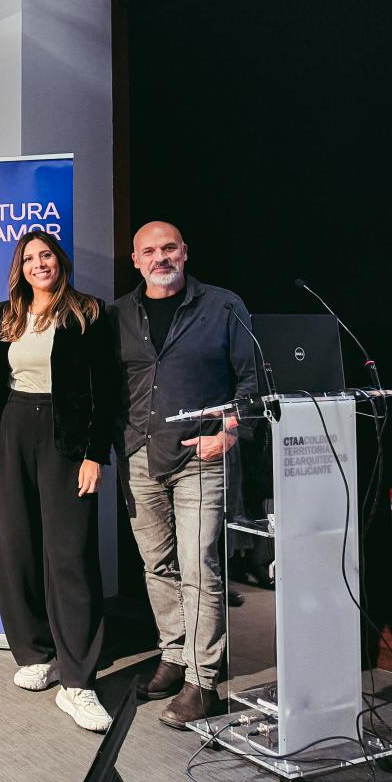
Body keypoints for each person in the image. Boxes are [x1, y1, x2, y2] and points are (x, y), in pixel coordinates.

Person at [0, 231, 118, 733]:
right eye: (30, 258)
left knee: (69, 555)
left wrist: (95, 453)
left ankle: (78, 682)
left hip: (65, 438)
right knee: (17, 548)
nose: (39, 264)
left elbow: (106, 388)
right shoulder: (7, 313)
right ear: (21, 267)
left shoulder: (87, 312)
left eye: (46, 255)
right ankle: (37, 654)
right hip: (10, 430)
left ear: (60, 261)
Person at [111, 221, 257, 728]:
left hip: (201, 455)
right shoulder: (118, 314)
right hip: (139, 455)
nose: (161, 257)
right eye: (149, 251)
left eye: (169, 248)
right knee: (157, 565)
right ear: (136, 260)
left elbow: (251, 380)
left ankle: (202, 680)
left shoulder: (223, 306)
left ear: (185, 252)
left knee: (200, 569)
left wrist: (229, 433)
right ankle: (174, 655)